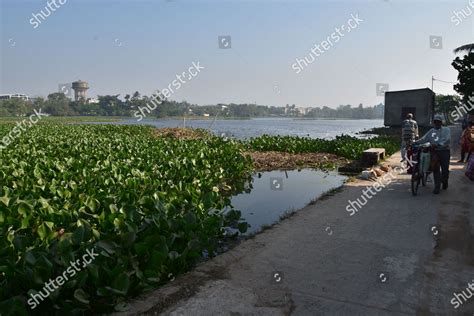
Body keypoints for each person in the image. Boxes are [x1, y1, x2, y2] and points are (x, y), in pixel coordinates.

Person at [413, 114, 451, 194]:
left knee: (445, 170)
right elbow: (424, 139)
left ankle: (444, 181)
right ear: (434, 122)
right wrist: (414, 143)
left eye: (438, 122)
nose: (437, 123)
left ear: (441, 122)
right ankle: (437, 187)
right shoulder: (431, 131)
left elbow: (447, 140)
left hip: (444, 151)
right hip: (435, 152)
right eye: (435, 122)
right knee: (436, 169)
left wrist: (438, 144)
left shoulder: (446, 130)